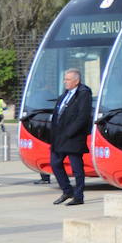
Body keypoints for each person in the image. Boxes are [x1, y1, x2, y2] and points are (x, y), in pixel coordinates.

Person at [49, 69, 93, 205]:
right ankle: (67, 190)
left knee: (76, 167)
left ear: (76, 81)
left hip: (73, 137)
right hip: (59, 136)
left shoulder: (83, 93)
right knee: (55, 163)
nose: (65, 82)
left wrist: (69, 132)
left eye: (68, 79)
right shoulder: (65, 94)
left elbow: (83, 117)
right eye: (65, 79)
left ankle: (79, 196)